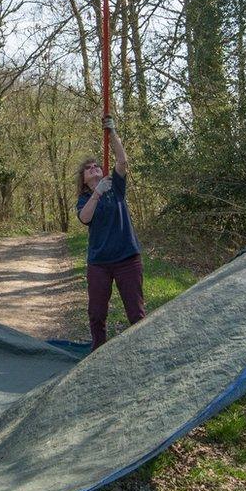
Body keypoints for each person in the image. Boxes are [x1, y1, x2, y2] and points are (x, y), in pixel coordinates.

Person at [75, 117, 144, 349]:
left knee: (136, 313)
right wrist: (97, 193)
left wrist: (112, 132)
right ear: (84, 181)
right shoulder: (85, 199)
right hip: (99, 263)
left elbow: (122, 161)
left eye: (96, 166)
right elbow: (85, 218)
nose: (94, 168)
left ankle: (139, 351)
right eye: (88, 169)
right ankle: (98, 352)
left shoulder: (115, 186)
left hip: (127, 258)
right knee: (96, 313)